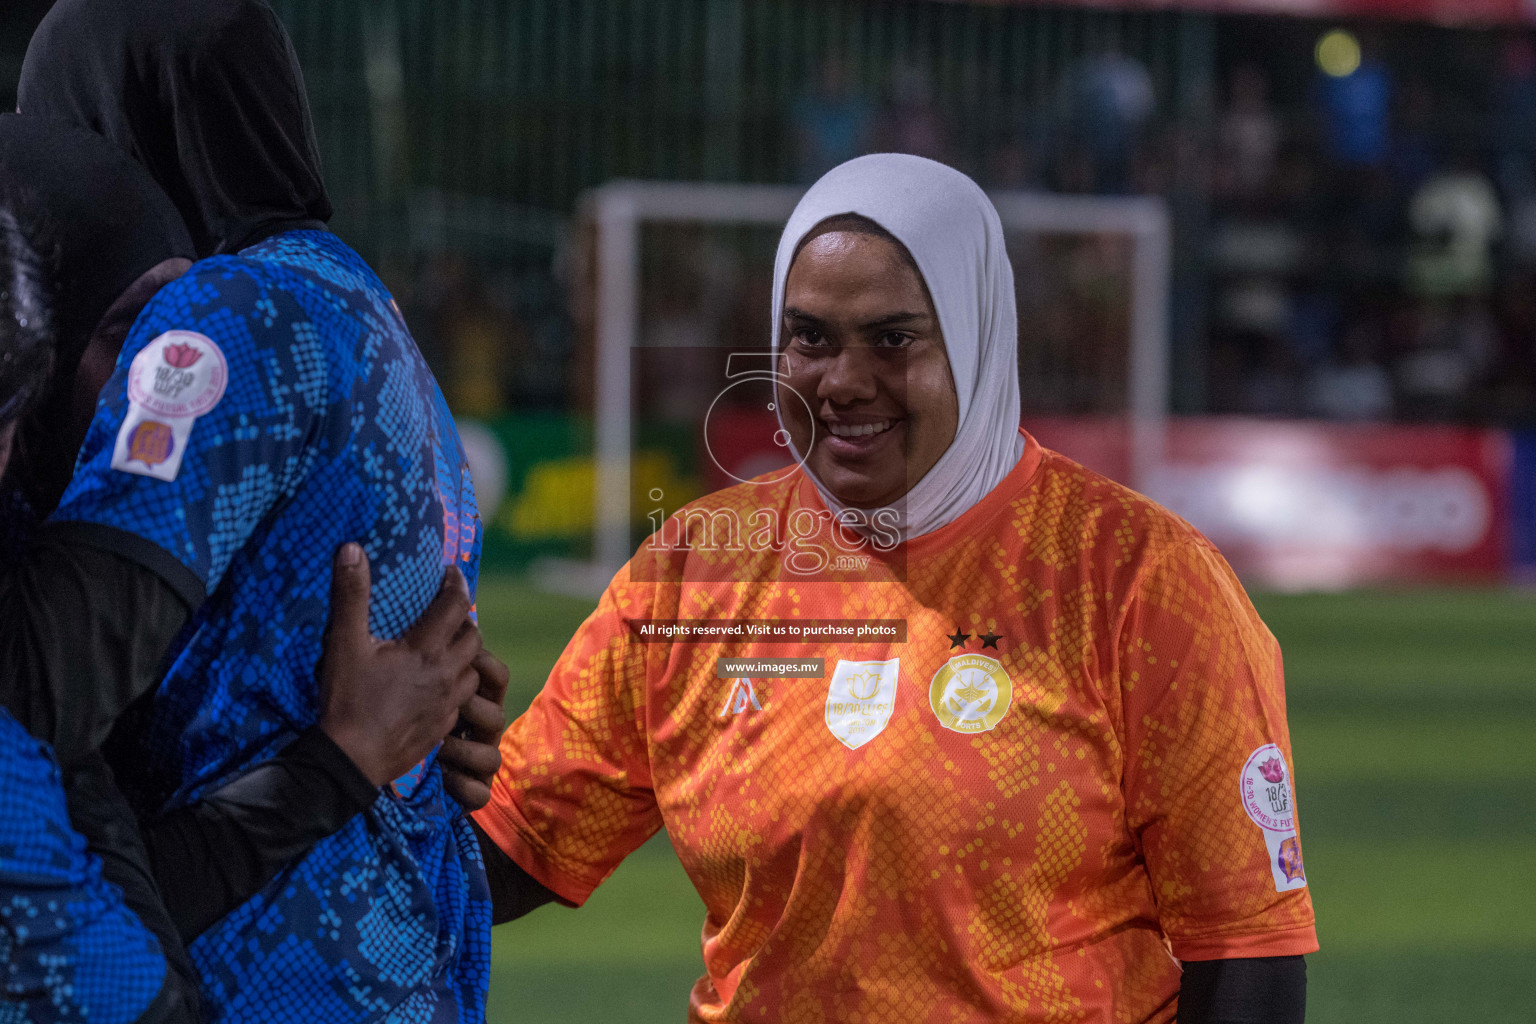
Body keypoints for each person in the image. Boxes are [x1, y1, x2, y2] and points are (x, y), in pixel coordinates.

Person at [472, 155, 1316, 1022]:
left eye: (894, 339)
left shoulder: (1146, 582)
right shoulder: (695, 571)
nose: (842, 381)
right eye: (810, 338)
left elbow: (1248, 959)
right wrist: (371, 753)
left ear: (977, 334)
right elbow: (503, 850)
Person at [20, 2, 496, 1018]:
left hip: (261, 959)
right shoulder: (369, 308)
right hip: (388, 955)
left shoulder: (228, 313)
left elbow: (45, 677)